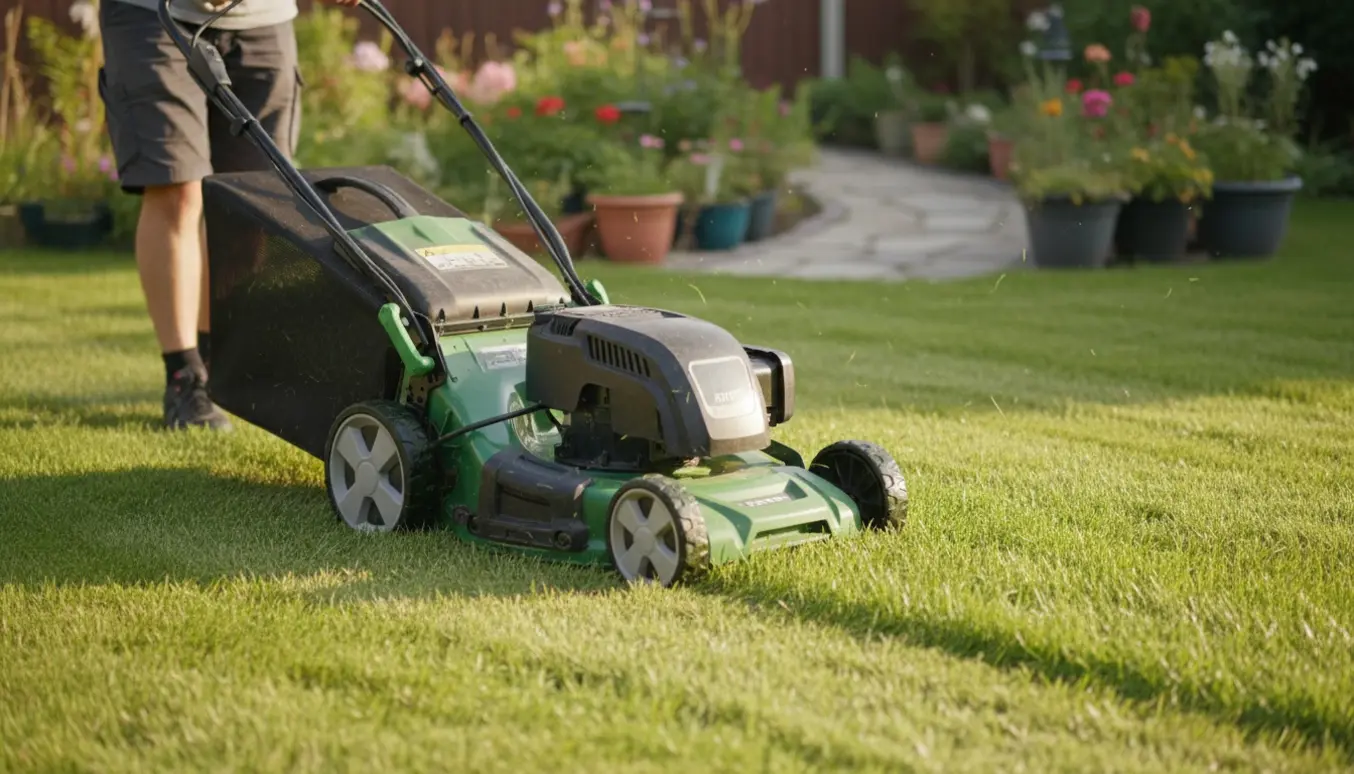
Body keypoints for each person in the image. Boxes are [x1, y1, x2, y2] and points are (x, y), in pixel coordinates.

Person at [98, 0, 358, 431]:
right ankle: (183, 377)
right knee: (176, 188)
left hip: (262, 18)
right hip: (154, 16)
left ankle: (216, 366)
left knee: (252, 203)